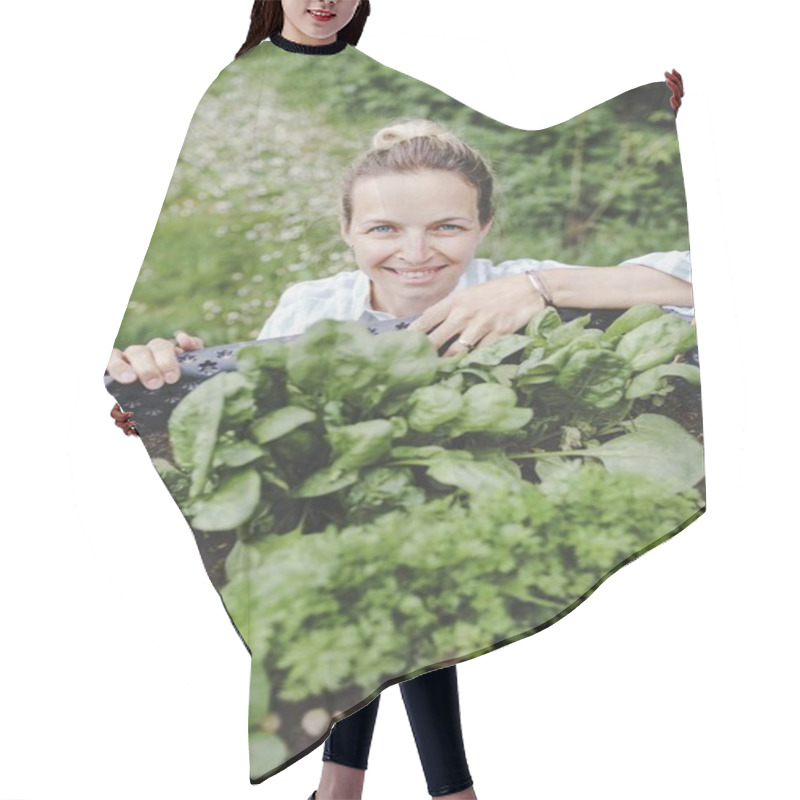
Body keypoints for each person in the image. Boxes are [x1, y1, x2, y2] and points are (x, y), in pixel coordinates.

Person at [105, 4, 693, 799]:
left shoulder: (513, 289)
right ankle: (432, 790)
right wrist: (164, 402)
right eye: (384, 229)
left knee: (395, 572)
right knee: (375, 566)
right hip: (360, 506)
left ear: (486, 226)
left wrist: (541, 287)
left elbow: (705, 278)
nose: (416, 255)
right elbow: (255, 401)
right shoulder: (314, 307)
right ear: (346, 232)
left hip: (487, 495)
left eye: (448, 227)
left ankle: (348, 787)